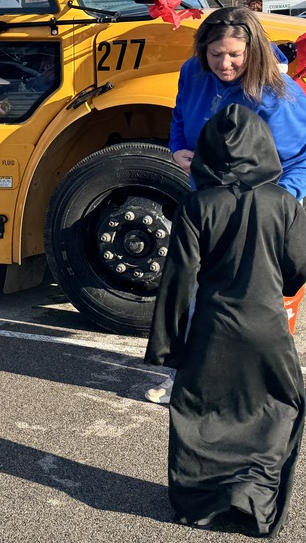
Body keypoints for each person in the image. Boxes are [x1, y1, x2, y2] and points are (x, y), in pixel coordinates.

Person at [145, 104, 306, 537]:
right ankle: (255, 500)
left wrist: (166, 345)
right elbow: (299, 267)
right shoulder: (284, 204)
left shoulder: (196, 205)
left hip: (212, 329)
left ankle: (200, 504)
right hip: (268, 329)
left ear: (208, 152)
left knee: (201, 413)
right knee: (275, 409)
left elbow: (179, 279)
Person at [147, 6, 306, 405]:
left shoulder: (279, 95)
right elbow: (180, 117)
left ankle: (264, 390)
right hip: (206, 205)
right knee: (193, 292)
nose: (225, 64)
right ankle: (186, 377)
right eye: (216, 54)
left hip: (261, 212)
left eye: (235, 54)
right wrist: (178, 150)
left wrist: (278, 208)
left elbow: (301, 159)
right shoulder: (192, 71)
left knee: (257, 306)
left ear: (253, 50)